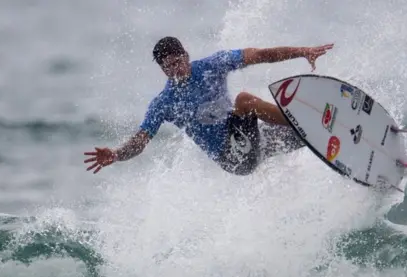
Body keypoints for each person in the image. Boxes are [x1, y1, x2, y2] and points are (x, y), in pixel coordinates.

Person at [84, 36, 334, 175]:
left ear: (186, 55)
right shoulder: (164, 103)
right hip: (232, 157)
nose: (176, 69)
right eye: (168, 67)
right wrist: (117, 154)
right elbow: (141, 140)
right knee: (245, 101)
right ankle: (304, 122)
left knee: (298, 138)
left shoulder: (213, 65)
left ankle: (325, 139)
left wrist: (302, 51)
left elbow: (260, 55)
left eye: (178, 61)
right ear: (162, 69)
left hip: (249, 140)